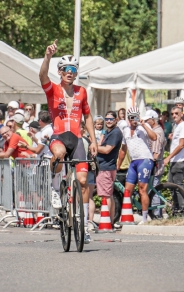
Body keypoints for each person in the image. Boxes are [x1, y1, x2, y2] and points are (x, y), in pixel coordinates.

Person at [39, 40, 98, 229]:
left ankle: (84, 222)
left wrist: (94, 140)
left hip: (77, 139)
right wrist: (48, 56)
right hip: (59, 136)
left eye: (73, 69)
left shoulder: (82, 92)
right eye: (66, 68)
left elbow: (87, 116)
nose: (70, 72)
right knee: (59, 154)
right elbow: (42, 75)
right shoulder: (53, 90)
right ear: (60, 72)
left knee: (82, 181)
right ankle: (55, 188)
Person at [117, 107, 157, 225]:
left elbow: (154, 137)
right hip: (134, 162)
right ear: (128, 119)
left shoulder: (143, 127)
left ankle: (144, 218)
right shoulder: (125, 130)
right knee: (127, 190)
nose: (134, 120)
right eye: (131, 117)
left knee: (142, 189)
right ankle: (127, 216)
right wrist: (118, 165)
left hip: (145, 159)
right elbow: (123, 149)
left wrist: (143, 124)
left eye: (136, 117)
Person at [96, 111, 123, 226]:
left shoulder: (115, 133)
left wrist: (94, 146)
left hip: (106, 167)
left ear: (116, 120)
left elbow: (107, 149)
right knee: (108, 195)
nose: (108, 121)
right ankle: (109, 221)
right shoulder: (108, 132)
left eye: (111, 119)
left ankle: (107, 222)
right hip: (105, 166)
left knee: (106, 196)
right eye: (106, 119)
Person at [164, 107, 184, 215]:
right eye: (172, 113)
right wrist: (172, 137)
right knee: (171, 185)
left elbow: (181, 145)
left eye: (176, 113)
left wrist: (168, 157)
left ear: (181, 114)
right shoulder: (178, 126)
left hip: (179, 160)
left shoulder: (183, 126)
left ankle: (183, 210)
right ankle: (177, 208)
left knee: (178, 186)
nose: (174, 115)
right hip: (175, 160)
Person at [142, 110, 166, 218]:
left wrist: (151, 162)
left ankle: (157, 215)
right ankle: (157, 214)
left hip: (155, 166)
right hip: (156, 165)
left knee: (154, 191)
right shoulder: (156, 130)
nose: (146, 122)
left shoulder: (157, 132)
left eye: (147, 120)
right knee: (153, 190)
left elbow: (156, 153)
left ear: (153, 120)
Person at [116, 120, 131, 187]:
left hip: (121, 168)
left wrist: (118, 166)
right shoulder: (130, 137)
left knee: (119, 190)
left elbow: (122, 153)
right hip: (129, 167)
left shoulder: (120, 139)